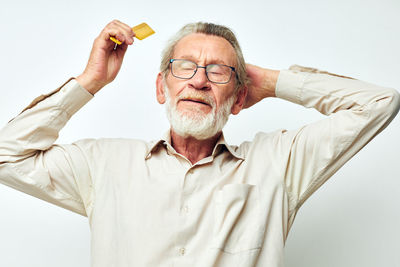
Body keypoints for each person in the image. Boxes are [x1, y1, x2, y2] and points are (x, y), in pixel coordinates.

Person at [0, 20, 398, 267]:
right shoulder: (104, 164)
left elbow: (381, 103)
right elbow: (6, 157)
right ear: (161, 87)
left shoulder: (279, 164)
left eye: (218, 72)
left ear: (240, 98)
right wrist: (91, 81)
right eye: (184, 66)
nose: (199, 80)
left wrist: (271, 81)